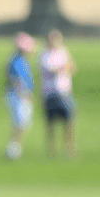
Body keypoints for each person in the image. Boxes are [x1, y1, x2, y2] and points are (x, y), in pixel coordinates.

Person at [38, 29, 76, 159]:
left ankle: (69, 149)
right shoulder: (44, 54)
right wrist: (63, 67)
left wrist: (64, 67)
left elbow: (72, 67)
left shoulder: (63, 52)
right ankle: (51, 150)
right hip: (50, 93)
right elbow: (51, 70)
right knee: (51, 123)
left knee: (69, 122)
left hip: (64, 92)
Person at [3, 32, 36, 160]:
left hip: (20, 95)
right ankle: (13, 149)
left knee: (23, 124)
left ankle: (14, 147)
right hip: (18, 96)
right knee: (20, 123)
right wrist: (25, 94)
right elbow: (17, 80)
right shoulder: (16, 61)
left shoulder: (21, 61)